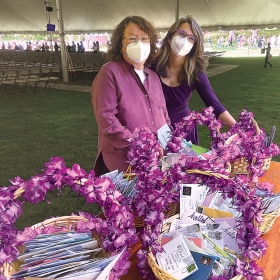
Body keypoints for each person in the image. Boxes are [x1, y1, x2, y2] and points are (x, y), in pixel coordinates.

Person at [91, 15, 171, 176]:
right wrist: (143, 145)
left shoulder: (154, 77)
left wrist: (169, 142)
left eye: (144, 39)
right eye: (132, 39)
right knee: (124, 201)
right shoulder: (110, 72)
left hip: (154, 161)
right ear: (121, 44)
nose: (139, 44)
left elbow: (164, 115)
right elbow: (107, 120)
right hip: (123, 163)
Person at [152, 15, 236, 145]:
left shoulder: (196, 74)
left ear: (194, 45)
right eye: (181, 34)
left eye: (191, 38)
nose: (185, 40)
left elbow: (216, 107)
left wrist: (241, 132)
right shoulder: (152, 66)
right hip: (155, 131)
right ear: (170, 37)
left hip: (184, 135)